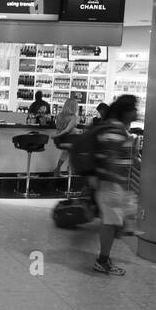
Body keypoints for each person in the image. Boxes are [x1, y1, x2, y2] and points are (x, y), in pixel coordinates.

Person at [86, 95, 138, 275]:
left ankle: (104, 258)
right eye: (134, 108)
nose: (136, 112)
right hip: (111, 184)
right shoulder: (115, 131)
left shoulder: (117, 129)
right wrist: (119, 183)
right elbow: (110, 158)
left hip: (112, 184)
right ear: (126, 112)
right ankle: (102, 260)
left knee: (113, 222)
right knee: (110, 223)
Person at [52, 98, 80, 174]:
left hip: (59, 141)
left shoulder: (59, 115)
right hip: (67, 140)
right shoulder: (73, 117)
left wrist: (56, 136)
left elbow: (60, 128)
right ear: (74, 107)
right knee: (80, 146)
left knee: (66, 151)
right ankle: (71, 168)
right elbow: (66, 130)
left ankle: (58, 169)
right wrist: (76, 131)